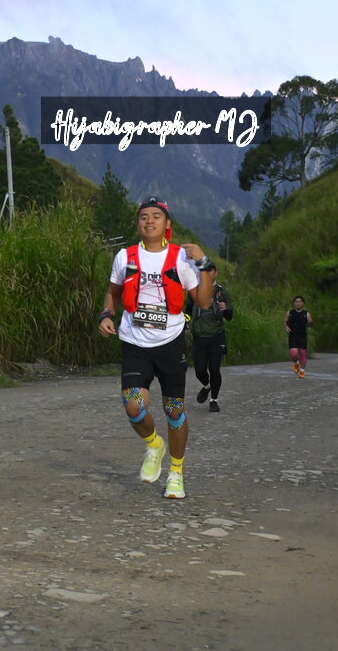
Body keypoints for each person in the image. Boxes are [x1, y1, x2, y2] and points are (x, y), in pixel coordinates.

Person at [98, 196, 214, 499]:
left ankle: (176, 472)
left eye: (156, 216)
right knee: (134, 405)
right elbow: (112, 292)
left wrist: (204, 263)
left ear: (167, 224)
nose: (149, 221)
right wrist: (106, 314)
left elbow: (203, 302)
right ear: (138, 223)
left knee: (174, 411)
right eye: (143, 216)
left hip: (170, 343)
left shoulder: (181, 258)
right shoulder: (124, 256)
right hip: (134, 342)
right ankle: (154, 445)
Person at [184, 266, 233, 413]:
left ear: (216, 273)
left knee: (214, 369)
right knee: (199, 370)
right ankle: (207, 386)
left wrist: (226, 308)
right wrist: (186, 323)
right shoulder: (195, 290)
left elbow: (230, 316)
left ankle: (214, 400)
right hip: (199, 337)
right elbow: (188, 310)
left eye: (211, 273)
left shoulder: (221, 292)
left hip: (217, 336)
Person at [283, 296, 313, 378]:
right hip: (292, 336)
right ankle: (296, 363)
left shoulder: (306, 314)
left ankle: (302, 371)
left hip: (302, 336)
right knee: (294, 354)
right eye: (296, 301)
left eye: (300, 301)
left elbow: (311, 324)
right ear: (294, 303)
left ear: (302, 303)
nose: (298, 303)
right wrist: (286, 327)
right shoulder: (290, 313)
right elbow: (285, 322)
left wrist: (310, 323)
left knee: (302, 353)